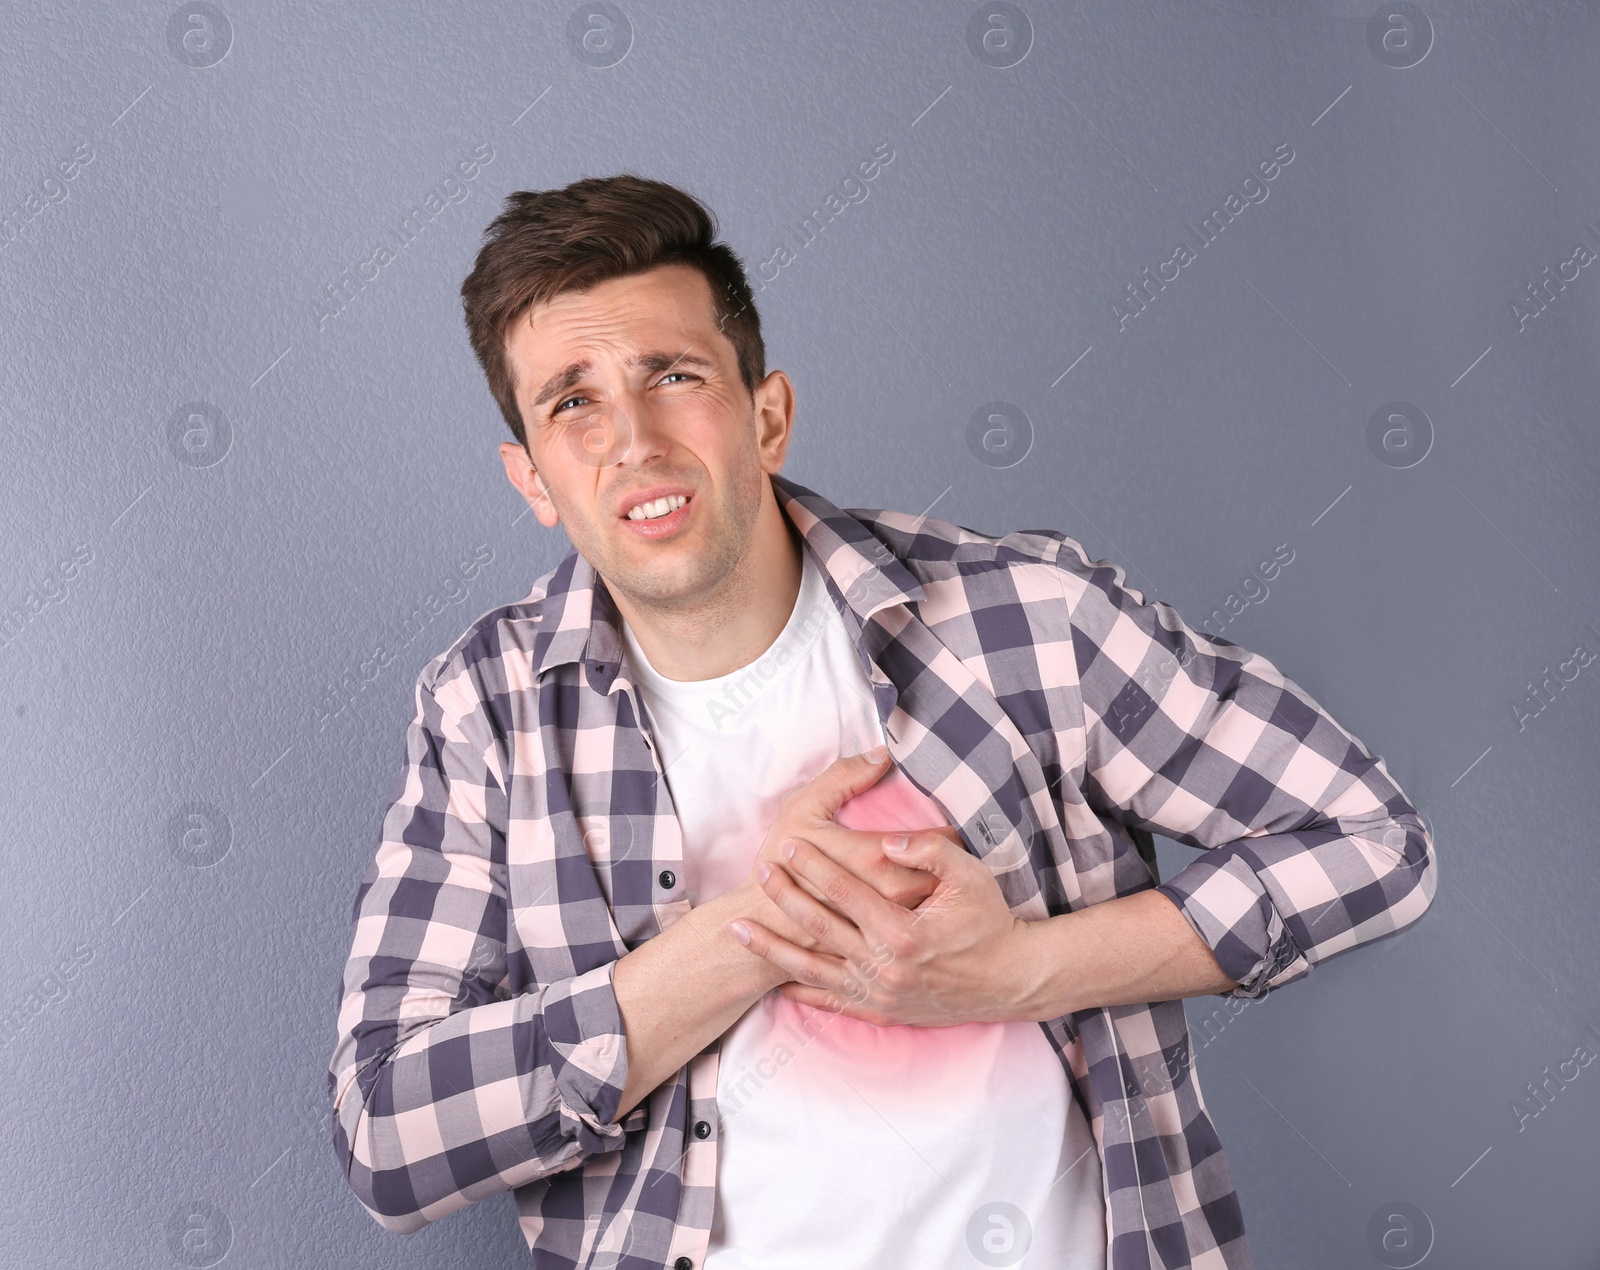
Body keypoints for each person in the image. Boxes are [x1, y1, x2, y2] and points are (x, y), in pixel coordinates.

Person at [327, 174, 1436, 1269]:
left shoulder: (1024, 620)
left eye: (673, 374)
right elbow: (387, 1132)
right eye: (573, 402)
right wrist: (749, 935)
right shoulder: (490, 710)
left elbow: (1374, 846)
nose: (635, 440)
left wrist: (1013, 970)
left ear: (767, 416)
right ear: (531, 479)